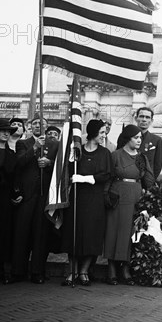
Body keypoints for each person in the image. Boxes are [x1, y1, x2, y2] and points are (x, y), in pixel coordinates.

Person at [61, 119, 112, 286]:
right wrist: (70, 165)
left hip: (95, 199)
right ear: (93, 133)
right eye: (102, 132)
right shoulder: (78, 151)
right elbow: (68, 169)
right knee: (74, 234)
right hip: (78, 198)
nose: (104, 135)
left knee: (92, 235)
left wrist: (86, 178)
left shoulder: (104, 153)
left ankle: (84, 271)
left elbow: (106, 175)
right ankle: (72, 271)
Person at [104, 125, 155, 285]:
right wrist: (106, 197)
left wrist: (151, 194)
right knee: (114, 231)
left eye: (140, 138)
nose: (139, 140)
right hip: (118, 196)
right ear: (127, 138)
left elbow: (148, 180)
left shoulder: (141, 158)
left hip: (135, 198)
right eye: (136, 137)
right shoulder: (116, 155)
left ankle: (125, 269)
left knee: (130, 233)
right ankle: (111, 269)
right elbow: (108, 178)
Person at [12, 114, 59, 283]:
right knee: (22, 233)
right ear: (30, 126)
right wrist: (34, 149)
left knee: (40, 234)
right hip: (27, 195)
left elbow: (60, 168)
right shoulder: (22, 143)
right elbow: (19, 163)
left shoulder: (55, 144)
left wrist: (49, 163)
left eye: (43, 124)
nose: (39, 126)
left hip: (44, 194)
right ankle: (18, 271)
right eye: (36, 123)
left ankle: (37, 272)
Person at [0, 120, 19, 284]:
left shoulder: (11, 153)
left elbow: (14, 174)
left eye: (8, 131)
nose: (6, 133)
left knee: (3, 232)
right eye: (2, 130)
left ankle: (1, 269)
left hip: (4, 197)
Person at [135, 108, 162, 180]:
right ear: (136, 118)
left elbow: (158, 164)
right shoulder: (127, 137)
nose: (144, 120)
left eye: (147, 117)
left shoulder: (156, 140)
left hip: (146, 180)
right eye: (141, 116)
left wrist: (150, 182)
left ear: (151, 121)